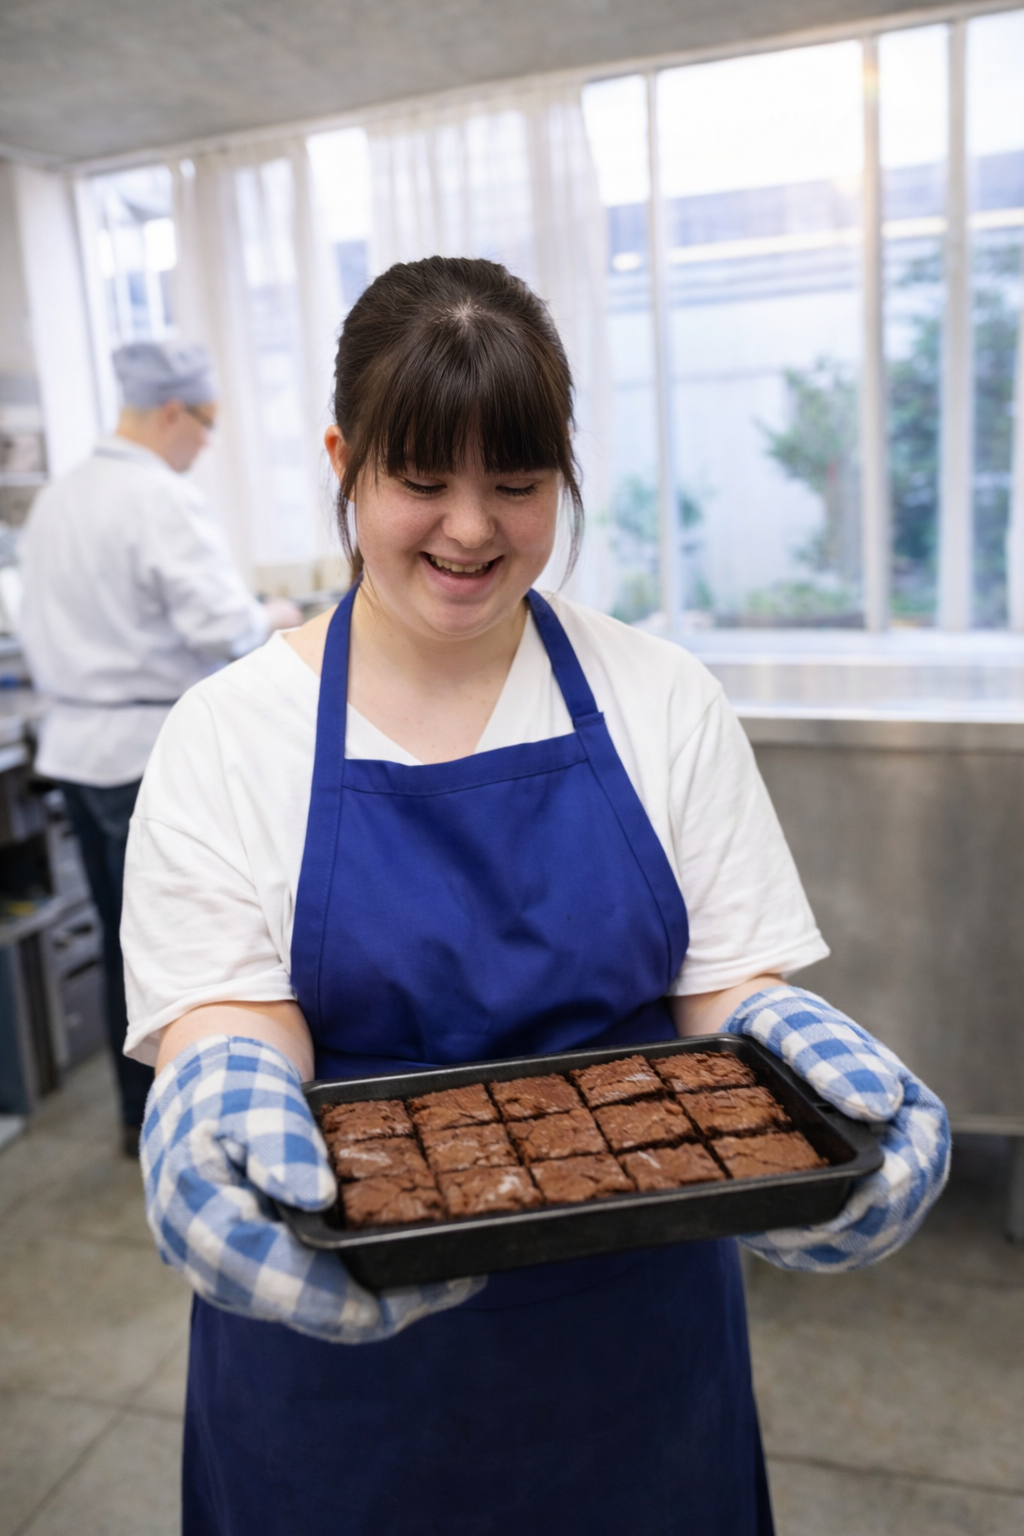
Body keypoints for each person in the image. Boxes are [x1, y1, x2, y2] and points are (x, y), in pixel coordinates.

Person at [122, 259, 949, 1536]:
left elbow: (724, 985)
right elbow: (236, 1008)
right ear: (344, 459)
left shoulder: (659, 696)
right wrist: (218, 1090)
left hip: (631, 1358)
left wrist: (783, 1044)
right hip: (335, 1377)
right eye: (419, 481)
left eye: (515, 485)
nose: (470, 529)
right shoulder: (228, 731)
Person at [18, 340, 301, 1153]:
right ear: (174, 411)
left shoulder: (60, 498)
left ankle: (134, 1115)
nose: (206, 445)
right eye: (207, 426)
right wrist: (275, 615)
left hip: (74, 748)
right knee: (180, 951)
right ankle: (179, 1124)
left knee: (120, 941)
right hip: (144, 750)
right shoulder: (158, 498)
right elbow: (222, 626)